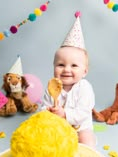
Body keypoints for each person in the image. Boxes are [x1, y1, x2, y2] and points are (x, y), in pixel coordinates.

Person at [41, 11, 96, 148]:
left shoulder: (84, 88)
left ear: (84, 71)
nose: (66, 69)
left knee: (87, 140)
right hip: (58, 127)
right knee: (45, 140)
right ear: (53, 66)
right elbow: (43, 106)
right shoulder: (52, 87)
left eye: (74, 65)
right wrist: (47, 111)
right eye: (61, 65)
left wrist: (64, 113)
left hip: (80, 127)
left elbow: (83, 112)